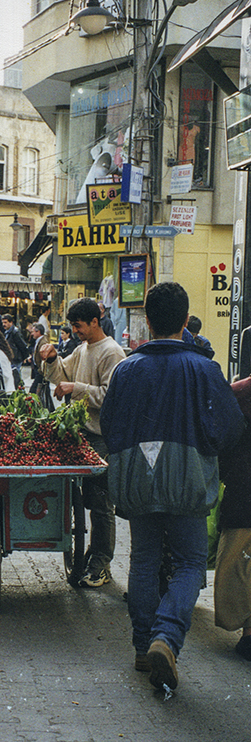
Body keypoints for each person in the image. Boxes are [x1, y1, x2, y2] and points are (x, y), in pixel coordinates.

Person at [100, 282, 244, 690]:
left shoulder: (125, 368)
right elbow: (230, 428)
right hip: (189, 480)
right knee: (190, 563)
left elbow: (110, 426)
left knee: (143, 560)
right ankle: (167, 636)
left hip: (137, 481)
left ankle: (144, 647)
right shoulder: (204, 369)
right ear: (185, 321)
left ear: (147, 320)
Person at [39, 298, 125, 588]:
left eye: (79, 325)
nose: (75, 330)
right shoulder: (82, 349)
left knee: (101, 504)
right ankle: (91, 555)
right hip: (80, 434)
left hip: (102, 438)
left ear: (94, 322)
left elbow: (111, 397)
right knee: (86, 500)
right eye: (73, 326)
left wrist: (76, 388)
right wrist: (51, 359)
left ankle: (101, 564)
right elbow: (61, 375)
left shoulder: (112, 352)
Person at [214, 375, 251, 660]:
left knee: (236, 563)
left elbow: (221, 440)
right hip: (242, 492)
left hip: (242, 492)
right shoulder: (238, 392)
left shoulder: (238, 392)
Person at [28, 323, 48, 395]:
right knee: (42, 392)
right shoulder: (38, 341)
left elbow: (44, 358)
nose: (32, 334)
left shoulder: (43, 342)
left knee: (33, 391)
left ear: (38, 332)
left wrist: (41, 370)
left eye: (33, 332)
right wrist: (33, 357)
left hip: (41, 371)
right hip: (38, 369)